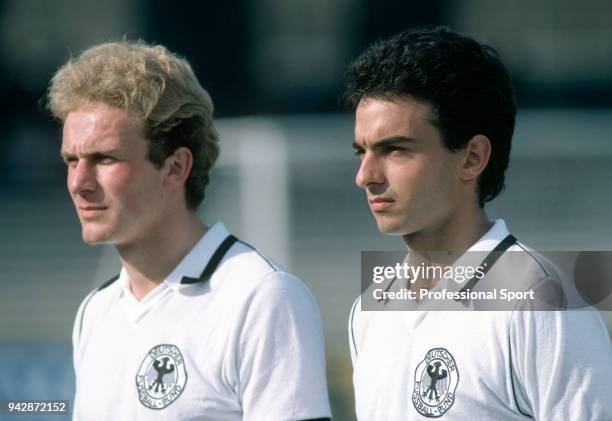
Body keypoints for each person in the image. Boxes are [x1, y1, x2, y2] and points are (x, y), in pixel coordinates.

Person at [47, 41, 331, 421]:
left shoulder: (262, 298)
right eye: (71, 160)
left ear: (175, 167)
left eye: (104, 159)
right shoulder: (95, 311)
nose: (79, 182)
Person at [344, 27, 612, 420]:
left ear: (471, 158)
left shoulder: (543, 303)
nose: (365, 175)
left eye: (395, 149)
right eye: (362, 151)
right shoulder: (367, 310)